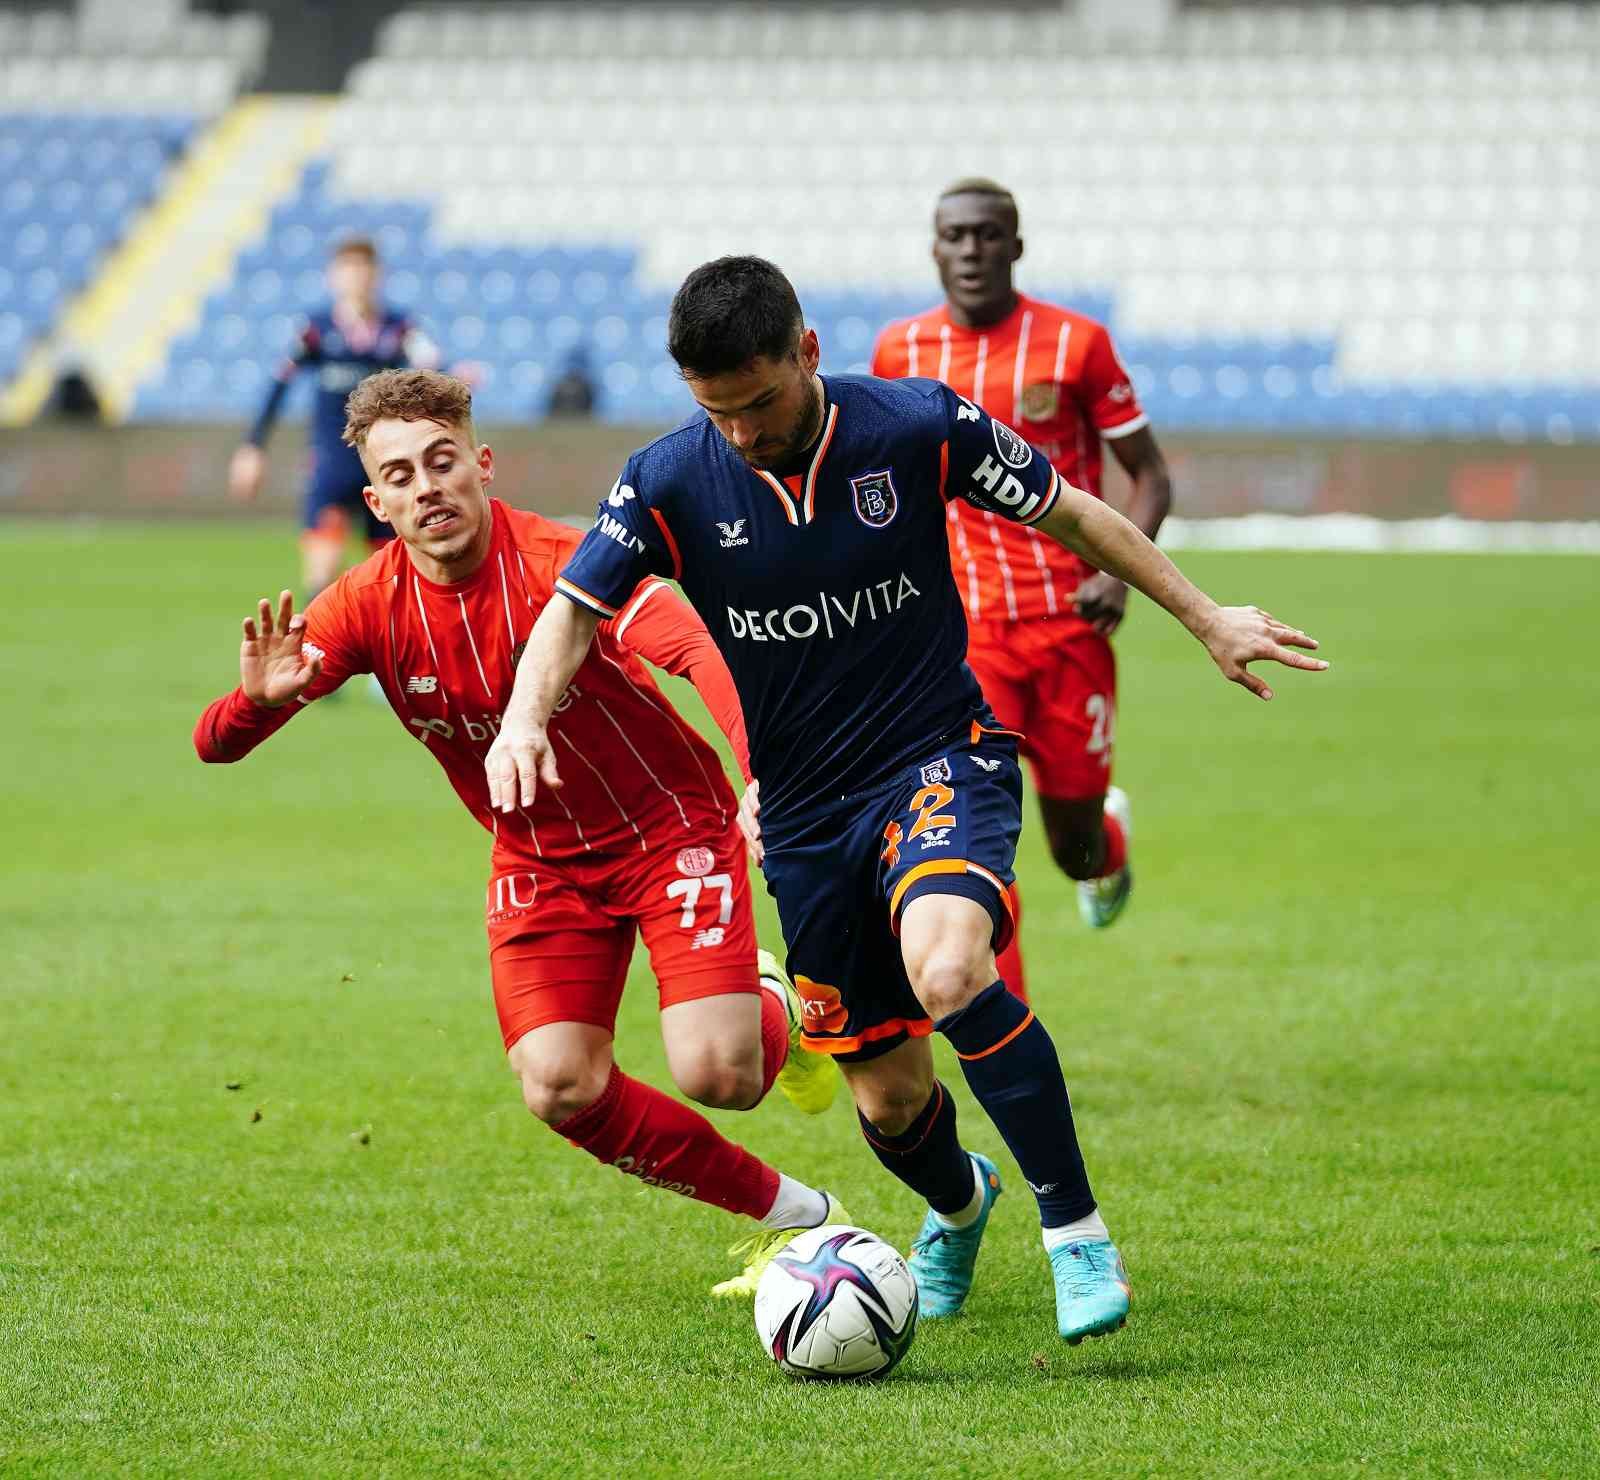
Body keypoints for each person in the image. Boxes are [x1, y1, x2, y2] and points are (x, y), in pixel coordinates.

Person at [485, 257, 1327, 1346]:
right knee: (885, 1096)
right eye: (716, 413)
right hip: (799, 816)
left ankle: (1076, 1231)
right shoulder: (666, 478)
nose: (740, 433)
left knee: (949, 964)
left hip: (937, 756)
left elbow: (1074, 512)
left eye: (759, 403)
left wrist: (1204, 615)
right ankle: (960, 1203)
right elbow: (573, 610)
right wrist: (522, 718)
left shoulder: (916, 426)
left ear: (807, 352)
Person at [196, 367, 845, 1295]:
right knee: (559, 1085)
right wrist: (251, 708)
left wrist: (760, 777)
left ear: (483, 465)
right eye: (403, 477)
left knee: (720, 1074)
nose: (429, 489)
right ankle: (799, 1219)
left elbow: (700, 650)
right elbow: (213, 746)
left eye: (443, 462)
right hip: (540, 862)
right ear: (376, 502)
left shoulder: (570, 562)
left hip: (670, 831)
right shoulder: (364, 605)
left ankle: (781, 1010)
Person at [873, 179, 1173, 997]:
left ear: (1016, 244)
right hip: (967, 641)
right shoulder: (900, 354)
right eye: (956, 236)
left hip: (1072, 624)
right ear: (935, 247)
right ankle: (1001, 1032)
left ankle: (1105, 845)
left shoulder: (1077, 344)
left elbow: (1149, 477)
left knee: (1069, 843)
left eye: (988, 235)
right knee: (977, 842)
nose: (971, 251)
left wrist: (1118, 574)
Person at [227, 237, 439, 604]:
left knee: (395, 580)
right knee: (322, 578)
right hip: (331, 466)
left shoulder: (399, 329)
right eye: (348, 269)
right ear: (334, 277)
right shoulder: (316, 330)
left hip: (384, 467)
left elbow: (433, 366)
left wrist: (453, 375)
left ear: (377, 275)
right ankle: (315, 656)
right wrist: (253, 447)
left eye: (364, 269)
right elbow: (278, 385)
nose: (357, 278)